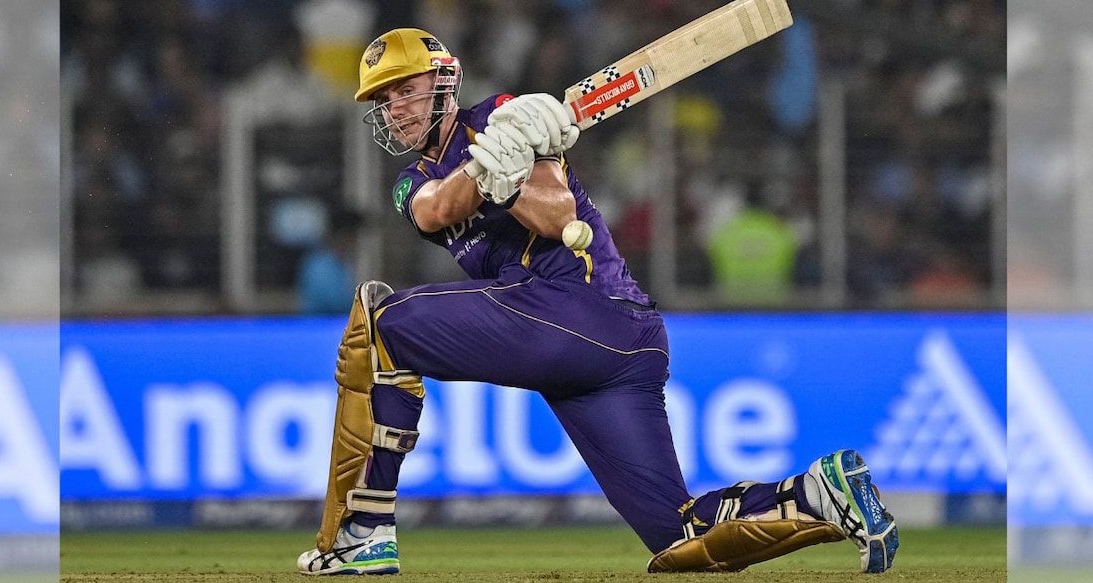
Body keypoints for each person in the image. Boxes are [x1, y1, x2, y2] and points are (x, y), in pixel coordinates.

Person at [296, 28, 898, 576]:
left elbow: (558, 216)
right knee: (683, 538)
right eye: (383, 98)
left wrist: (509, 171)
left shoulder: (503, 116)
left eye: (403, 88)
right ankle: (822, 491)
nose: (393, 107)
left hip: (582, 310)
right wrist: (488, 169)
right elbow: (436, 209)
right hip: (600, 346)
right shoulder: (414, 181)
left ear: (445, 83)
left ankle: (364, 530)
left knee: (383, 322)